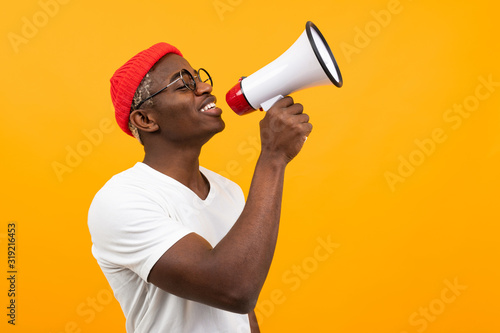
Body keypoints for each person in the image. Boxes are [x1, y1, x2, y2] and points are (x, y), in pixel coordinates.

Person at [88, 42, 312, 333]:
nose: (205, 87)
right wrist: (273, 157)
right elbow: (234, 289)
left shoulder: (228, 190)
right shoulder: (121, 200)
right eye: (183, 84)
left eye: (199, 77)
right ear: (145, 120)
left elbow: (243, 311)